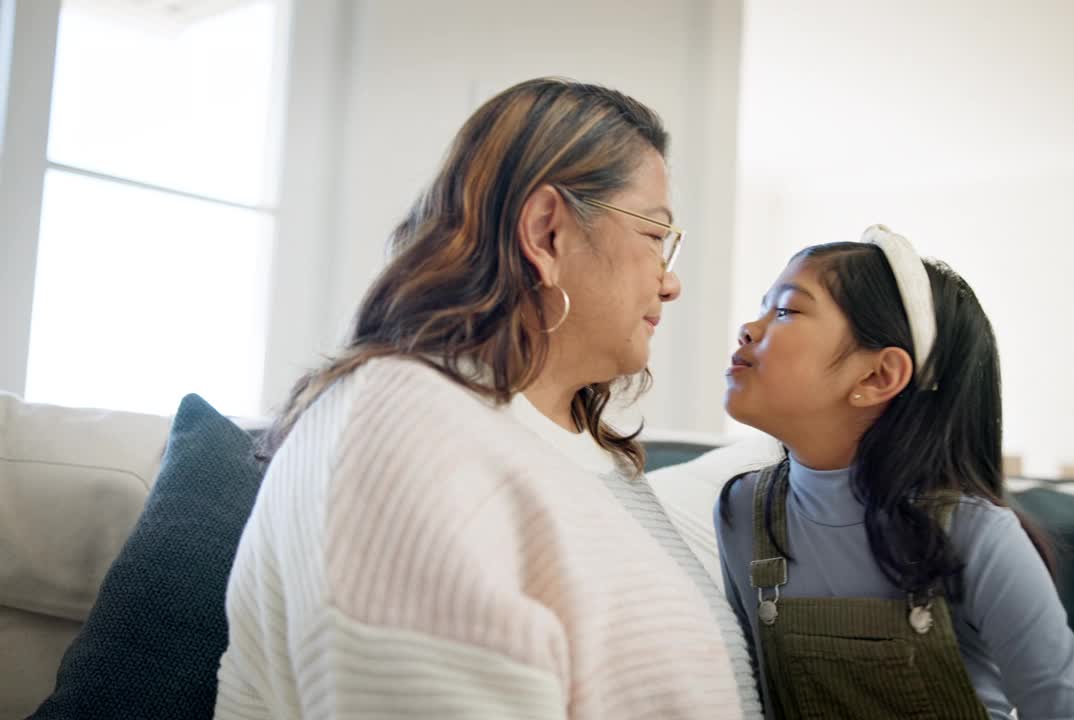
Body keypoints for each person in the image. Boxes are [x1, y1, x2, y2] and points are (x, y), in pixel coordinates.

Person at [214, 77, 761, 720]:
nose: (669, 283)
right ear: (547, 231)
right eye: (654, 235)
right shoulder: (402, 427)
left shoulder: (583, 454)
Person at [715, 226, 1074, 719]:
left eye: (788, 310)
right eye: (764, 307)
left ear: (878, 377)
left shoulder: (974, 533)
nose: (749, 328)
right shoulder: (744, 511)